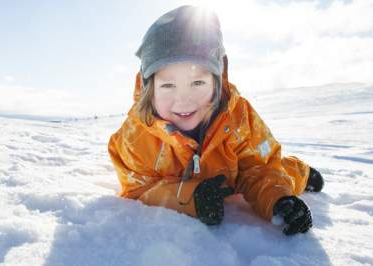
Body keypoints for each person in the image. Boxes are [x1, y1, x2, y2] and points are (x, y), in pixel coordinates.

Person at [108, 5, 324, 236]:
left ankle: (301, 170)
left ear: (217, 81)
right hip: (187, 183)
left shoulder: (238, 117)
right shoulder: (136, 137)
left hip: (234, 175)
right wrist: (189, 197)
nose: (183, 100)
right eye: (168, 85)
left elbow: (259, 167)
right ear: (149, 89)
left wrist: (280, 200)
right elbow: (138, 189)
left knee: (279, 172)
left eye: (197, 83)